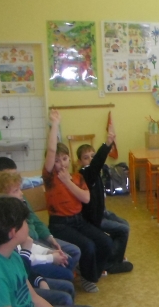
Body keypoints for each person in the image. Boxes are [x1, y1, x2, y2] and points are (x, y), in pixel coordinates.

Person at [43, 109, 113, 293]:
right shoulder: (50, 178)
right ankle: (88, 277)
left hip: (78, 221)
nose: (61, 164)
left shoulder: (77, 177)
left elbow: (86, 197)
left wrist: (68, 182)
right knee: (88, 246)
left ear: (69, 159)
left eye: (64, 159)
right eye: (57, 161)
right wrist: (55, 124)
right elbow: (51, 150)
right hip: (60, 224)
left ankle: (90, 273)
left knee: (106, 243)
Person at [0, 154, 82, 267]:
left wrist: (49, 237)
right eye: (9, 177)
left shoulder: (19, 196)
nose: (15, 181)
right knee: (65, 261)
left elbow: (34, 219)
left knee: (73, 252)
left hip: (35, 239)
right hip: (24, 244)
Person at [76, 125, 133, 274]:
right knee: (123, 230)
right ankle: (111, 263)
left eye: (92, 156)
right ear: (80, 162)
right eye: (86, 158)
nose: (90, 160)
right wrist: (107, 144)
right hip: (93, 218)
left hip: (101, 211)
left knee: (124, 224)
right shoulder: (86, 173)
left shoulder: (94, 172)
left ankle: (113, 255)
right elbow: (97, 163)